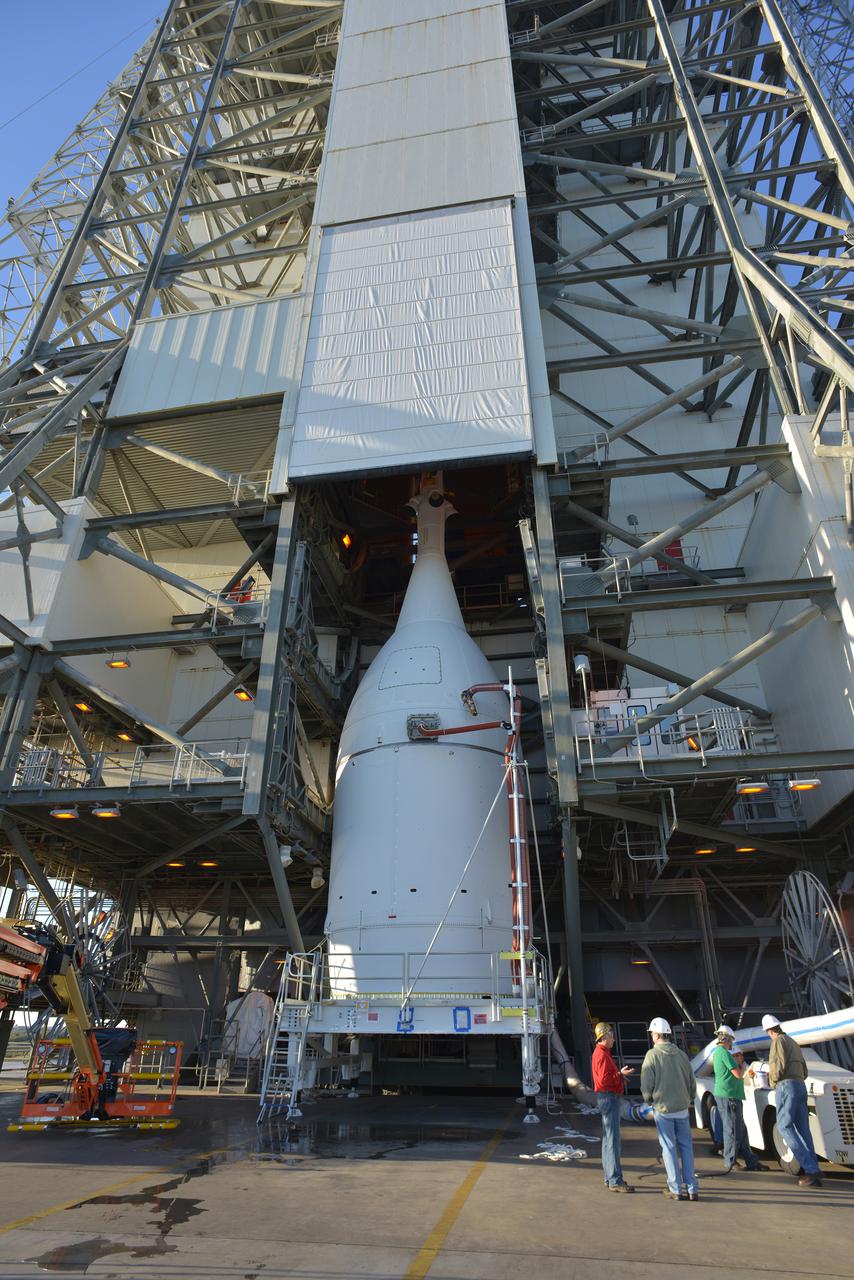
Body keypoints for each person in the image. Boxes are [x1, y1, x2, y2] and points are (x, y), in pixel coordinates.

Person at [641, 1017, 699, 1201]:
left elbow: (646, 1082)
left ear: (657, 1034)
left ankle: (675, 1189)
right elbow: (692, 1081)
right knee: (687, 1148)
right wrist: (688, 1098)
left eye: (652, 1033)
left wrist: (648, 1099)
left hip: (663, 1109)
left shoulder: (652, 1055)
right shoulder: (681, 1055)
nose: (651, 1036)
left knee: (669, 1148)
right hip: (682, 1108)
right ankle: (692, 1189)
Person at [763, 1013, 821, 1187]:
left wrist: (772, 1081)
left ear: (769, 1030)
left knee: (784, 1126)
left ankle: (811, 1169)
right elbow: (804, 1069)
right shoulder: (793, 1042)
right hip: (800, 1085)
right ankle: (814, 1168)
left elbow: (777, 1065)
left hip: (786, 1086)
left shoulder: (778, 1041)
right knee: (804, 1130)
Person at [712, 1025, 769, 1173]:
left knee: (740, 1130)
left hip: (730, 1095)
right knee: (732, 1130)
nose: (732, 1044)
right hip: (728, 1096)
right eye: (731, 1040)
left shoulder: (719, 1053)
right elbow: (738, 1074)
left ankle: (751, 1161)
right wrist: (743, 1066)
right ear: (727, 1038)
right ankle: (730, 1161)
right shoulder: (723, 1053)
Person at [591, 1021, 635, 1193]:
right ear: (604, 1037)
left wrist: (618, 1076)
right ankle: (615, 1180)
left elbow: (605, 1078)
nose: (614, 1040)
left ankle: (609, 1177)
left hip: (606, 1098)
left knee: (608, 1140)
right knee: (613, 1141)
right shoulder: (602, 1055)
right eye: (611, 1036)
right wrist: (619, 1075)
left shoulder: (602, 1053)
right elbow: (603, 1081)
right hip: (609, 1098)